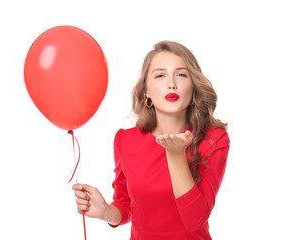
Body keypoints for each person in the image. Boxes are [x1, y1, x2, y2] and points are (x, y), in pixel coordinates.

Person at [72, 40, 230, 240]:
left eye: (181, 74)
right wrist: (105, 212)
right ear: (147, 91)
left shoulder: (214, 139)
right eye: (160, 75)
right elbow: (126, 206)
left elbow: (194, 220)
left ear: (193, 89)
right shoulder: (125, 140)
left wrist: (175, 155)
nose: (171, 83)